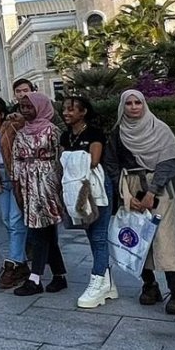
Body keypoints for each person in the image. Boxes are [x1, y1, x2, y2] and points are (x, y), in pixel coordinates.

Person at [105, 89, 175, 314]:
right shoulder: (118, 133)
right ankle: (150, 285)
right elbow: (111, 164)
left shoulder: (160, 129)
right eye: (129, 103)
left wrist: (152, 191)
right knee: (137, 238)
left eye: (137, 102)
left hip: (158, 189)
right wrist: (125, 195)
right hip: (130, 187)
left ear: (144, 104)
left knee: (165, 238)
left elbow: (169, 162)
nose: (133, 107)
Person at [10, 92, 68, 297]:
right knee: (45, 233)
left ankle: (35, 278)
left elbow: (61, 159)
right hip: (27, 185)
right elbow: (16, 159)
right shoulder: (21, 133)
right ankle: (59, 275)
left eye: (29, 106)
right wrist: (16, 183)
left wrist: (59, 185)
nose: (25, 110)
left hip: (47, 185)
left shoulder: (53, 131)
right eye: (22, 107)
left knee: (39, 231)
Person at [61, 95, 116, 310]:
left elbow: (93, 160)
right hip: (77, 190)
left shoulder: (94, 133)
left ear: (83, 112)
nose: (66, 112)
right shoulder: (66, 136)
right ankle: (108, 281)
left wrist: (70, 159)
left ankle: (97, 280)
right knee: (91, 234)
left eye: (71, 109)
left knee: (100, 235)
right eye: (65, 109)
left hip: (97, 188)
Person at [0, 97, 29, 290]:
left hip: (15, 175)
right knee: (7, 220)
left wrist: (17, 118)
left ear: (1, 114)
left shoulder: (10, 127)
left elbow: (25, 127)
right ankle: (22, 259)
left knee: (16, 220)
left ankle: (14, 261)